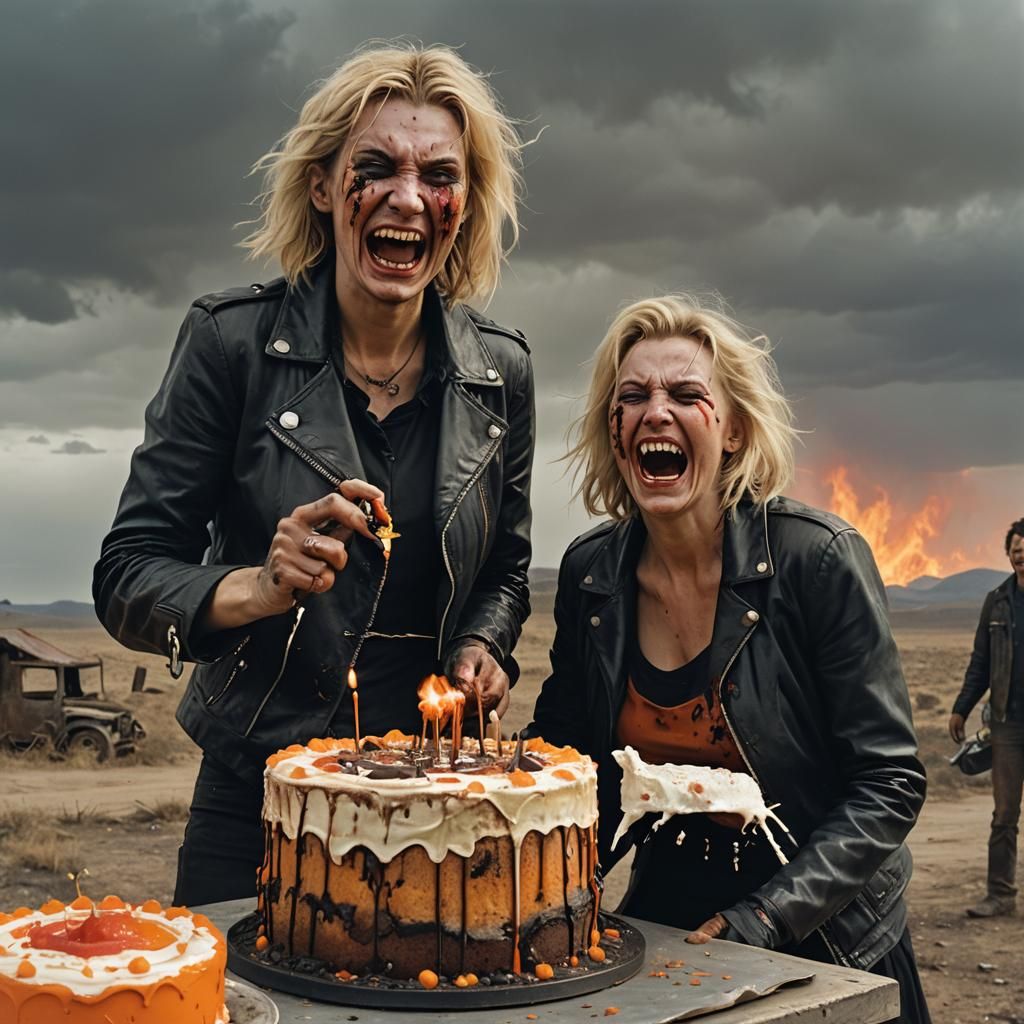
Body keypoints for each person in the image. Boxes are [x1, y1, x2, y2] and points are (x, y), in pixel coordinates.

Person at [93, 44, 534, 907]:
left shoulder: (499, 373)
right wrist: (257, 586)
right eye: (375, 168)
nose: (408, 196)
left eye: (438, 175)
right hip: (256, 794)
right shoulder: (231, 345)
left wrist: (485, 644)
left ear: (463, 205)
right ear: (325, 187)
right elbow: (128, 574)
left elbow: (508, 569)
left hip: (434, 802)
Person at [529, 296, 931, 1022]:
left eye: (686, 395)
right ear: (613, 429)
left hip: (821, 926)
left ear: (735, 429)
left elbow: (889, 781)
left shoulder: (817, 559)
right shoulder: (594, 577)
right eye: (633, 397)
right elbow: (572, 765)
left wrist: (764, 919)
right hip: (671, 919)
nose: (656, 411)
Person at [949, 517, 1024, 918]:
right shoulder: (996, 601)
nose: (1022, 558)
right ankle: (1000, 895)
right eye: (1017, 552)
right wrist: (962, 706)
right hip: (1008, 723)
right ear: (1009, 555)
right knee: (1004, 814)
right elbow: (981, 662)